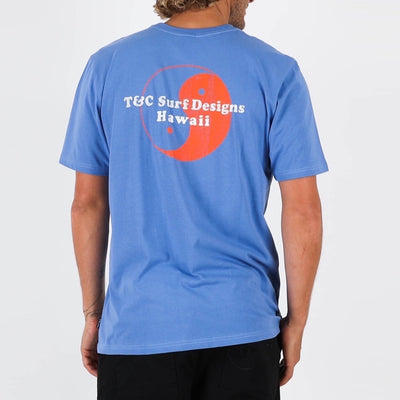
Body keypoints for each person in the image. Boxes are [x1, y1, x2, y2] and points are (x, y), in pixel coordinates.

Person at [59, 0, 328, 398]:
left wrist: (94, 314)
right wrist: (296, 322)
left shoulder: (108, 65)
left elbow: (87, 204)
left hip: (138, 326)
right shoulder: (276, 71)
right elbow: (303, 210)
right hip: (242, 323)